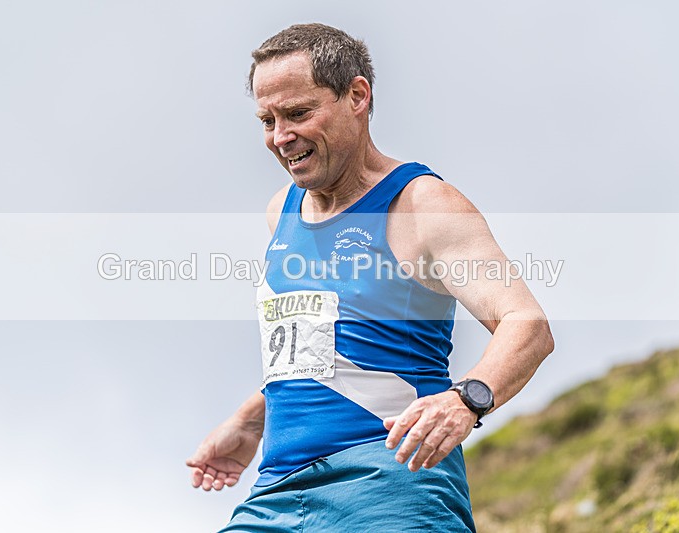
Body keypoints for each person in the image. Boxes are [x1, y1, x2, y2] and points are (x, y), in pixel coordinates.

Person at [186, 23, 554, 531]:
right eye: (267, 120)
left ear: (357, 96)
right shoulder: (282, 212)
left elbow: (526, 323)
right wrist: (251, 419)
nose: (280, 137)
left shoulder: (423, 204)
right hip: (276, 494)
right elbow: (324, 345)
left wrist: (465, 399)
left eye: (297, 113)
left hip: (392, 486)